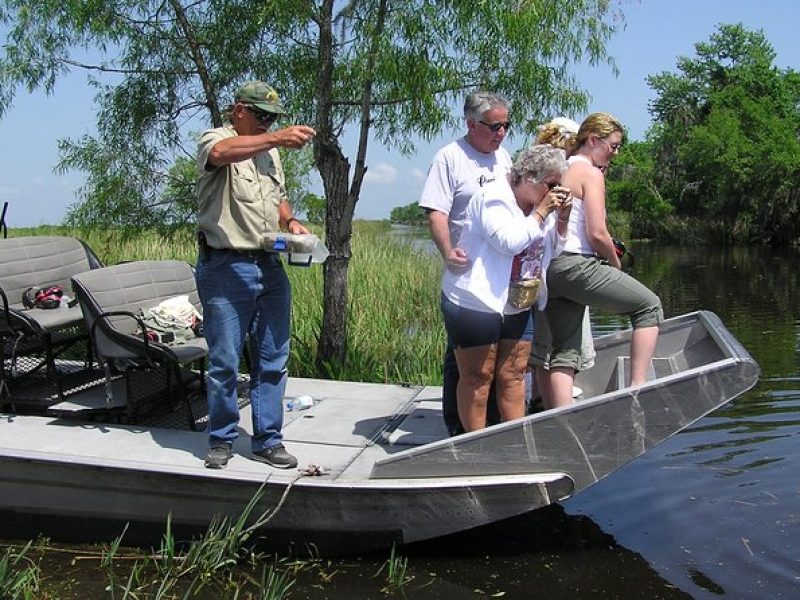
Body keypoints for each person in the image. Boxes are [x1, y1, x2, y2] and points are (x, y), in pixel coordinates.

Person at [195, 81, 316, 469]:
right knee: (225, 360)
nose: (266, 123)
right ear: (239, 110)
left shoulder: (268, 153)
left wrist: (292, 221)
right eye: (261, 115)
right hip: (226, 266)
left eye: (272, 119)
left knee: (272, 357)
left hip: (269, 264)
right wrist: (278, 138)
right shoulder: (218, 138)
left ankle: (268, 439)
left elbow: (277, 197)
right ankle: (222, 439)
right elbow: (220, 154)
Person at [535, 112, 662, 409]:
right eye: (613, 146)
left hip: (550, 268)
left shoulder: (560, 167)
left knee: (565, 351)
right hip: (577, 264)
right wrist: (615, 265)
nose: (616, 153)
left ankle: (562, 417)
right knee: (649, 307)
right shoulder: (591, 173)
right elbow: (597, 233)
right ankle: (637, 390)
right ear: (593, 140)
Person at [441, 145, 572, 431]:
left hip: (519, 301)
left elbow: (554, 249)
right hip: (475, 301)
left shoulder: (542, 208)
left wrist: (560, 219)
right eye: (552, 184)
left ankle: (514, 441)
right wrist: (542, 212)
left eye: (559, 185)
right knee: (478, 376)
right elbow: (509, 242)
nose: (556, 191)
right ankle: (474, 444)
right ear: (528, 178)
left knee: (514, 374)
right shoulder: (493, 198)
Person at [419, 91, 513, 436]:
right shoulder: (450, 158)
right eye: (494, 126)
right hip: (466, 277)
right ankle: (459, 430)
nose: (501, 133)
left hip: (499, 279)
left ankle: (489, 427)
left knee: (487, 361)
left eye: (506, 126)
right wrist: (447, 251)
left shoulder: (504, 159)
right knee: (465, 362)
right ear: (471, 124)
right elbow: (435, 212)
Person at [530, 117, 596, 408]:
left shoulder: (540, 179)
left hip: (544, 271)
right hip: (557, 268)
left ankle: (539, 400)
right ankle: (556, 408)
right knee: (561, 349)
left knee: (544, 345)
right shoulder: (559, 180)